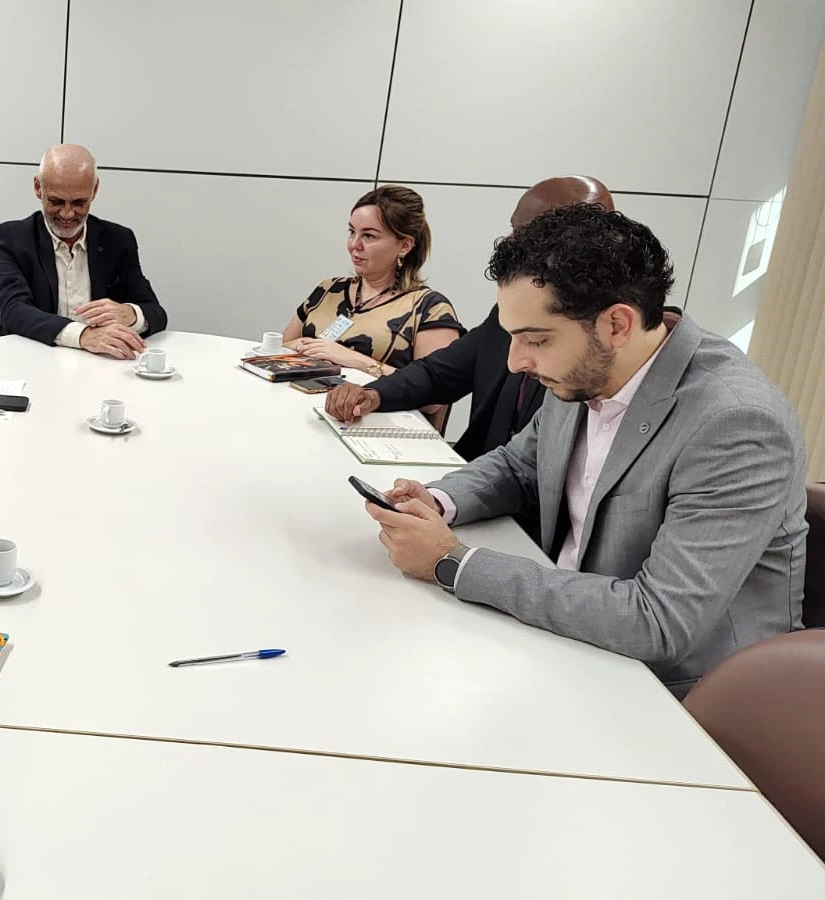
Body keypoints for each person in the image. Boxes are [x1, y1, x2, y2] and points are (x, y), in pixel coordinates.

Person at [367, 205, 807, 698]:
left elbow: (658, 620)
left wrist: (453, 563)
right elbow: (519, 465)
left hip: (677, 693)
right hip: (569, 636)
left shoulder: (737, 424)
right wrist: (438, 500)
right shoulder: (587, 369)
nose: (515, 362)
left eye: (535, 339)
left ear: (617, 324)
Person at [324, 176, 617, 464]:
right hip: (475, 474)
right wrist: (375, 394)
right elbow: (440, 372)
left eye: (528, 236)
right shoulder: (507, 313)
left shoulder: (598, 343)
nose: (510, 244)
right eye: (513, 230)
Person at [282, 185, 464, 399]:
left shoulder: (429, 308)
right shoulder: (328, 289)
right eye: (352, 232)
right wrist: (300, 347)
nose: (354, 245)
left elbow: (434, 397)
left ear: (404, 246)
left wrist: (357, 361)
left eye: (369, 236)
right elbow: (279, 349)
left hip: (368, 416)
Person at [0, 144, 167, 360]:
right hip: (28, 360)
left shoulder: (119, 240)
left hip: (99, 365)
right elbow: (13, 310)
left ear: (94, 190)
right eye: (56, 201)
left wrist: (130, 314)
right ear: (38, 187)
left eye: (79, 203)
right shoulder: (14, 237)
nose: (67, 213)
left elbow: (156, 313)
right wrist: (82, 335)